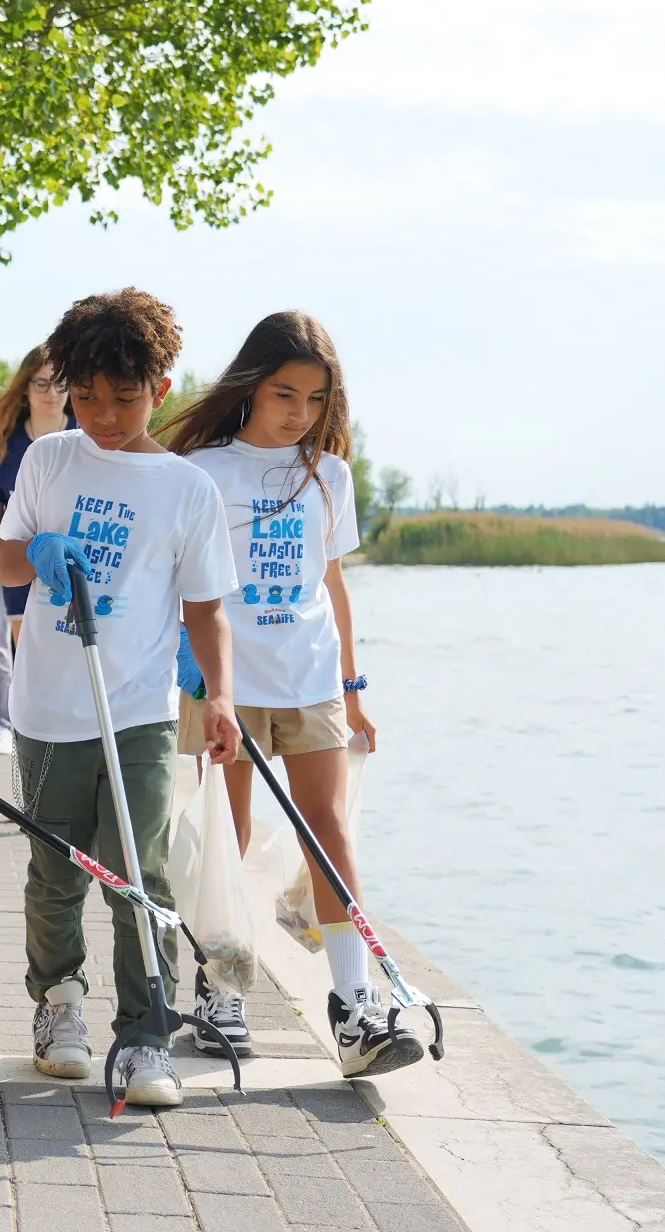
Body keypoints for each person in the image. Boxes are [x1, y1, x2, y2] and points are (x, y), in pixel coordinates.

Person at [0, 288, 239, 1109]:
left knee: (140, 872)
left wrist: (223, 696)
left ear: (159, 390)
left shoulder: (187, 489)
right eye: (86, 394)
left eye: (123, 397)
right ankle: (59, 1003)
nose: (102, 413)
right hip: (47, 711)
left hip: (138, 709)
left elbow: (206, 608)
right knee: (53, 871)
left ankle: (144, 1036)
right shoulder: (50, 460)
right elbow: (6, 562)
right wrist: (38, 550)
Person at [163, 311, 417, 1080]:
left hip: (311, 681)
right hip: (229, 685)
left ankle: (355, 1008)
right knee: (227, 840)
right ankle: (221, 988)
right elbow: (185, 585)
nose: (298, 411)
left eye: (313, 398)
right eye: (284, 393)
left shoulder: (329, 474)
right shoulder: (207, 468)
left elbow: (332, 583)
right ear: (251, 384)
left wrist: (353, 685)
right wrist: (196, 674)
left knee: (331, 837)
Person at [0, 346, 75, 650]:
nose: (52, 392)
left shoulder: (88, 440)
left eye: (60, 382)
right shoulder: (2, 443)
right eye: (41, 383)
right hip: (21, 566)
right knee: (28, 658)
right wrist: (9, 558)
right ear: (25, 389)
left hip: (74, 568)